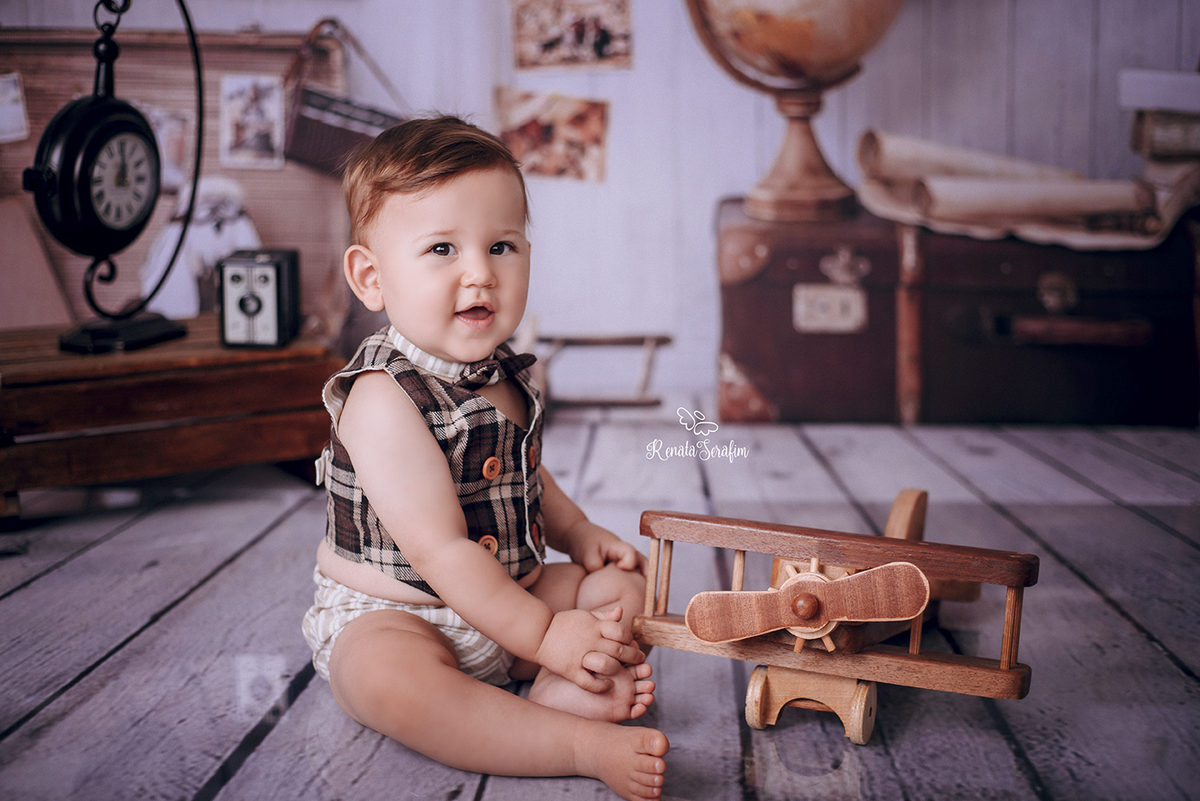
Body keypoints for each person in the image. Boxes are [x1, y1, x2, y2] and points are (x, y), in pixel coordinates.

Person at [302, 115, 669, 801]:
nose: (480, 273)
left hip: (513, 591)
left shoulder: (505, 372)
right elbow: (441, 551)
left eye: (501, 246)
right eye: (442, 248)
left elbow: (528, 474)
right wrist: (546, 634)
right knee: (388, 681)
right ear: (371, 277)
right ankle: (575, 741)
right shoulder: (381, 399)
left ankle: (560, 689)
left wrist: (578, 534)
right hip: (404, 614)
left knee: (627, 591)